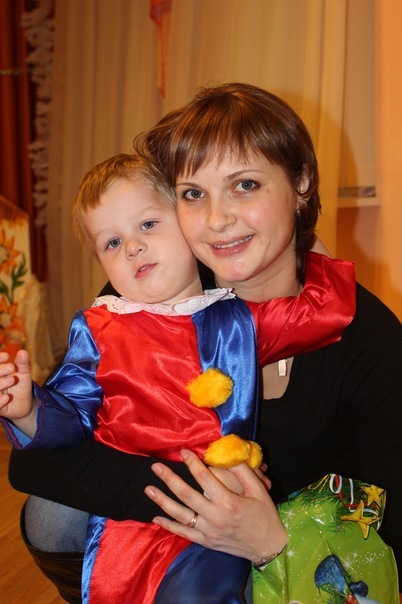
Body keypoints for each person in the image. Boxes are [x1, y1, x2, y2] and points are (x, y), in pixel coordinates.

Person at [6, 83, 402, 601]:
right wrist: (205, 502)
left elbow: (393, 530)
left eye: (245, 185)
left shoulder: (365, 336)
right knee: (51, 516)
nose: (217, 220)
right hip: (180, 536)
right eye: (194, 194)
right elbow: (36, 463)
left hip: (306, 557)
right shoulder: (158, 290)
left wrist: (272, 542)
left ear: (301, 181)